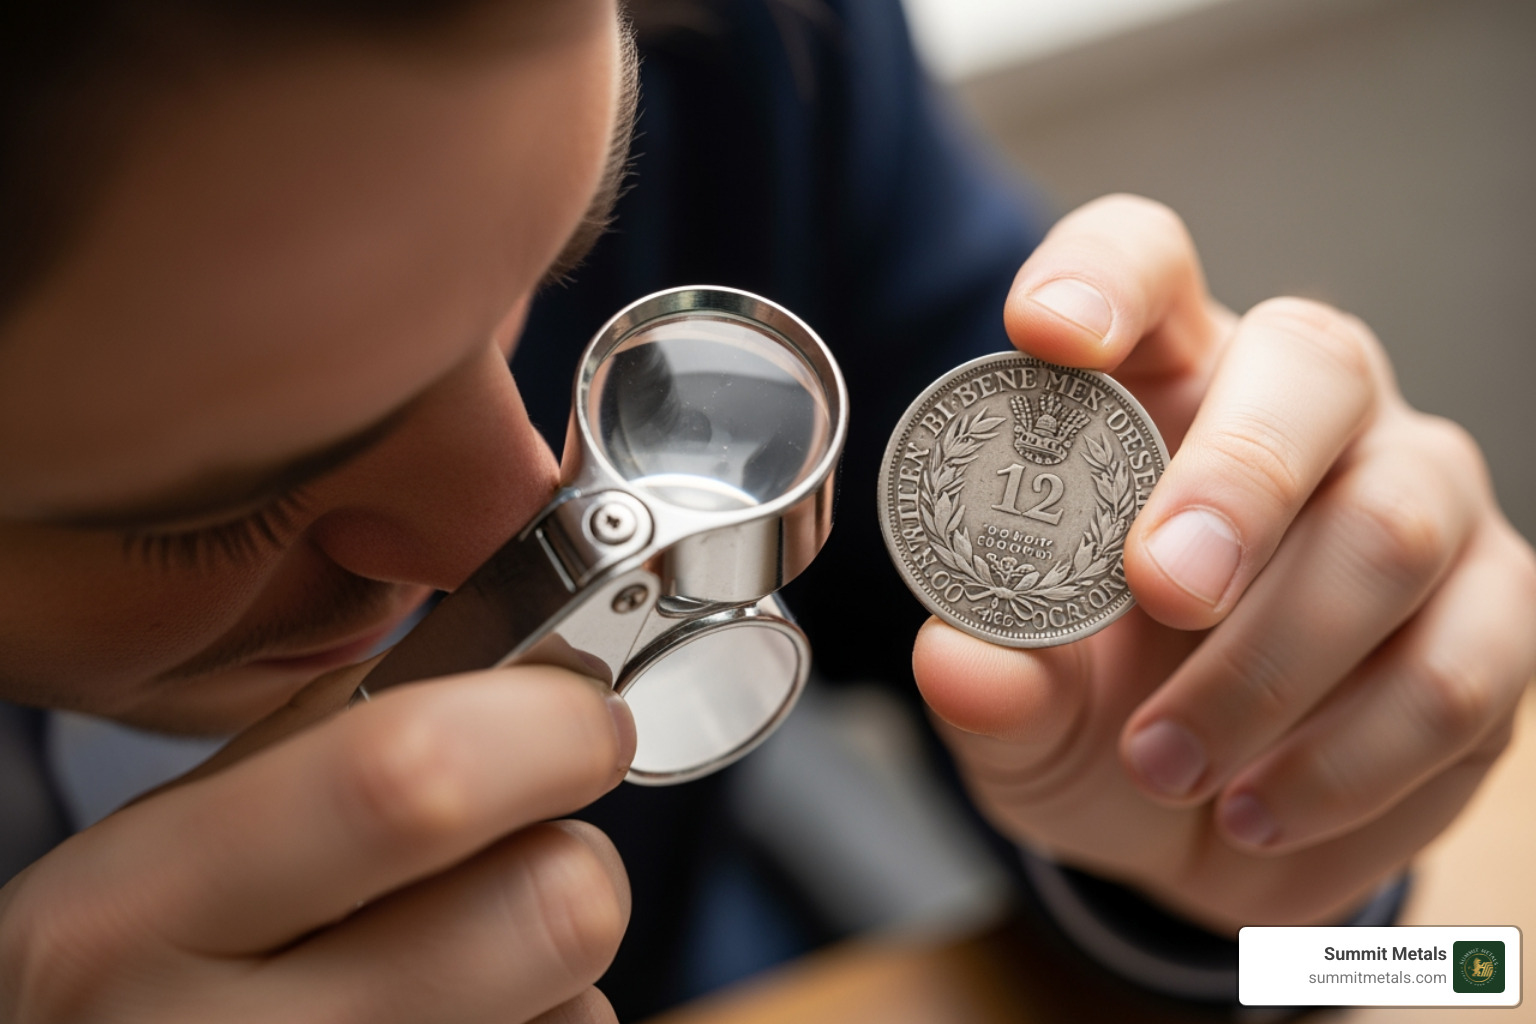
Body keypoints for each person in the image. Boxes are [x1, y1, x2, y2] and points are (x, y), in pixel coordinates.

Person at [1, 0, 1532, 1021]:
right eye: (222, 509)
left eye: (556, 258)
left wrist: (1267, 851)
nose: (532, 504)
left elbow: (1451, 970)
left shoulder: (746, 54)